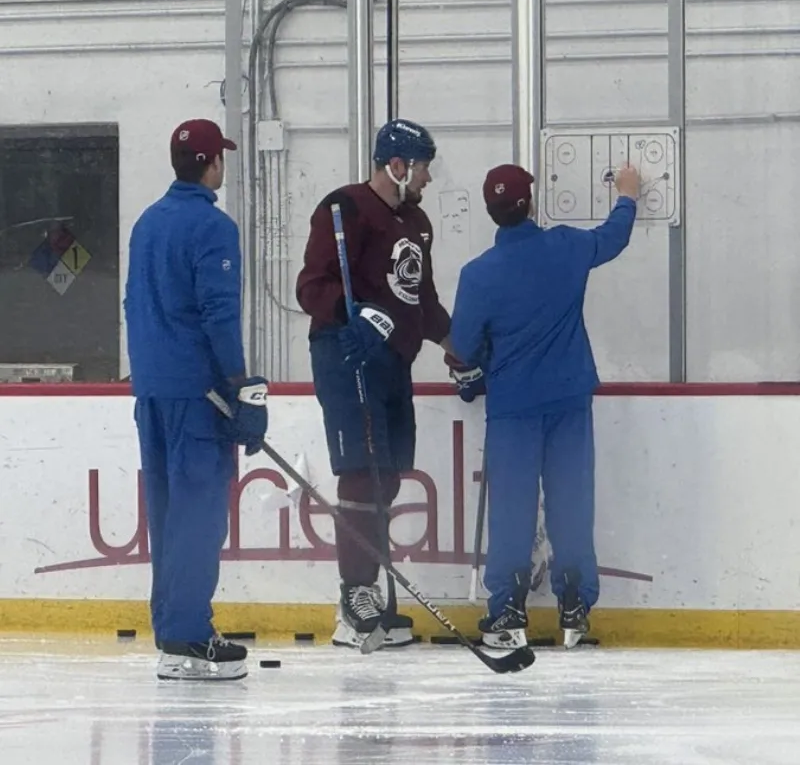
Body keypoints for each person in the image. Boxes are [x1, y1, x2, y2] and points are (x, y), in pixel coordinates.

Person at [448, 162, 640, 650]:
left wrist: (476, 368)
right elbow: (613, 238)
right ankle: (574, 607)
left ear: (491, 214)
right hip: (569, 397)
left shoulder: (478, 275)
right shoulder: (566, 247)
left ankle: (509, 611)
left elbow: (463, 349)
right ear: (530, 203)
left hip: (513, 406)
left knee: (512, 508)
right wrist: (627, 196)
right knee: (571, 502)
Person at [295, 119, 453, 649]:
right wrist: (349, 313)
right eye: (425, 166)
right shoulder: (344, 208)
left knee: (389, 476)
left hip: (392, 363)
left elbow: (420, 300)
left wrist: (456, 343)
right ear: (398, 165)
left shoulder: (418, 222)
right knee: (361, 475)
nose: (430, 178)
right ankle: (355, 594)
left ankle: (371, 590)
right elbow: (311, 285)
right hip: (347, 358)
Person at [124, 118, 269, 680]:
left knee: (165, 511)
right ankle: (187, 632)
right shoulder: (213, 227)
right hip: (197, 393)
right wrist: (239, 386)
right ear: (212, 163)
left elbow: (134, 303)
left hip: (153, 389)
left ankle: (172, 629)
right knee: (200, 512)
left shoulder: (146, 224)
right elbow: (218, 313)